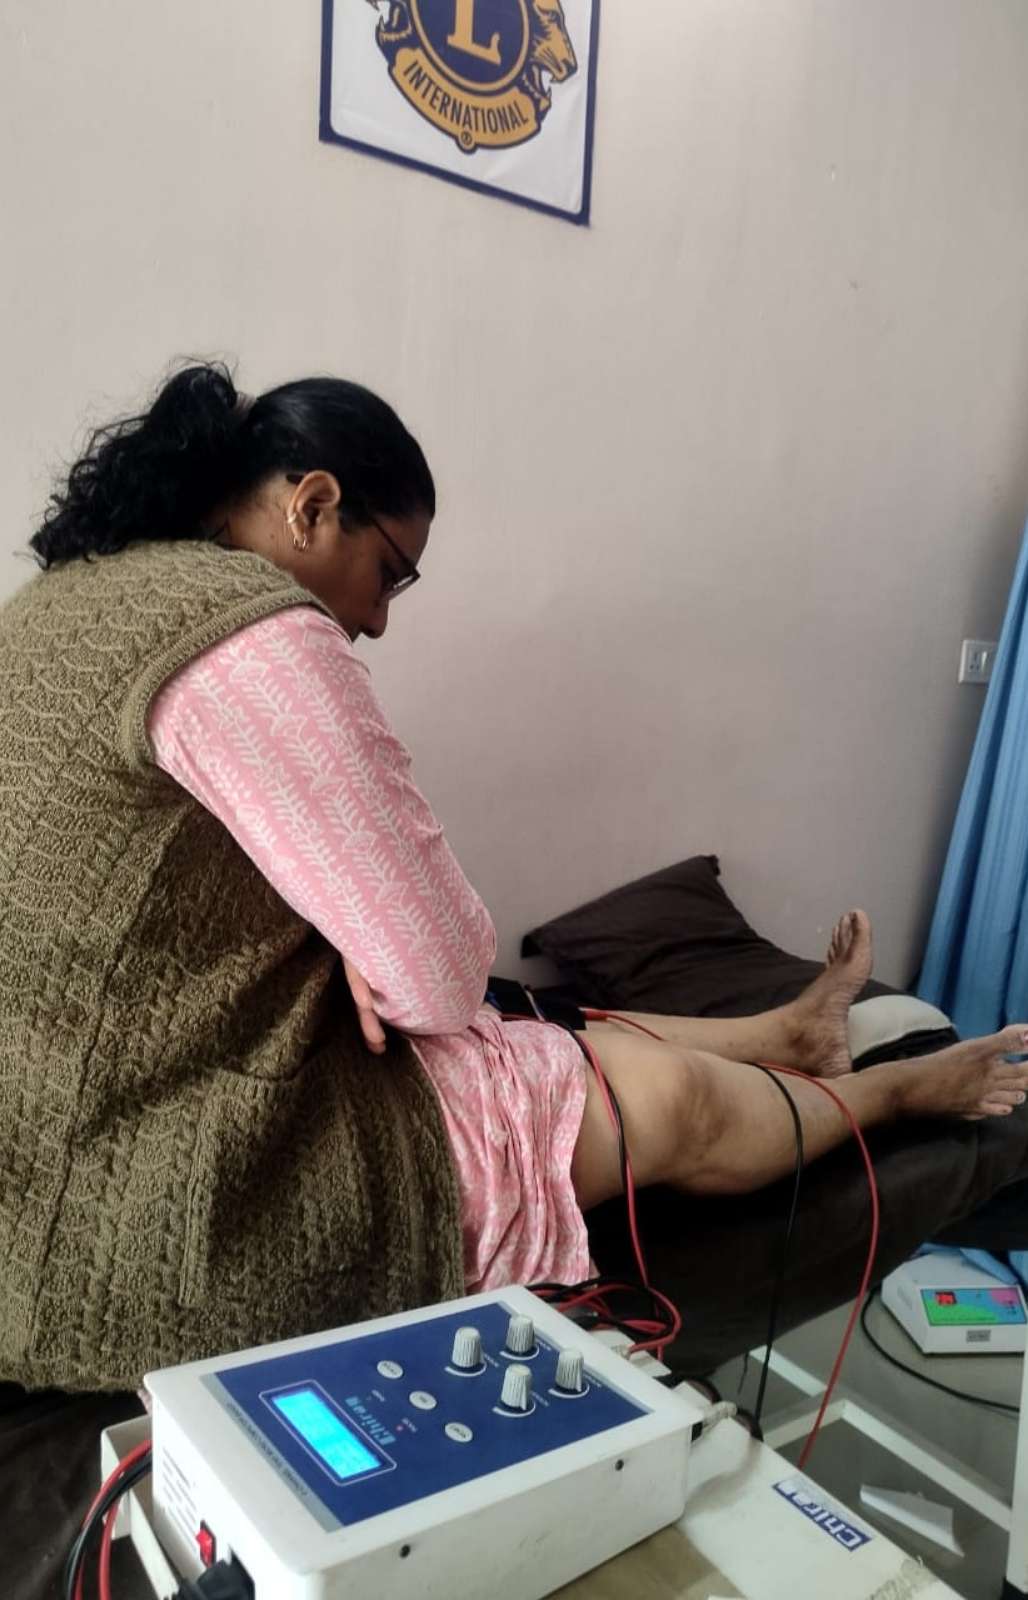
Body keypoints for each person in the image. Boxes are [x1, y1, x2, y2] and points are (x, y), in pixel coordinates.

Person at [2, 362, 1026, 1394]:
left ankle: (787, 1037)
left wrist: (349, 936)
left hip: (55, 1133)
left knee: (519, 1023)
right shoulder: (249, 631)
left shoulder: (65, 598)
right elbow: (440, 976)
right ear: (312, 505)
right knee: (656, 1096)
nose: (380, 618)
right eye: (390, 572)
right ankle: (894, 1091)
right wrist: (373, 945)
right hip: (158, 1177)